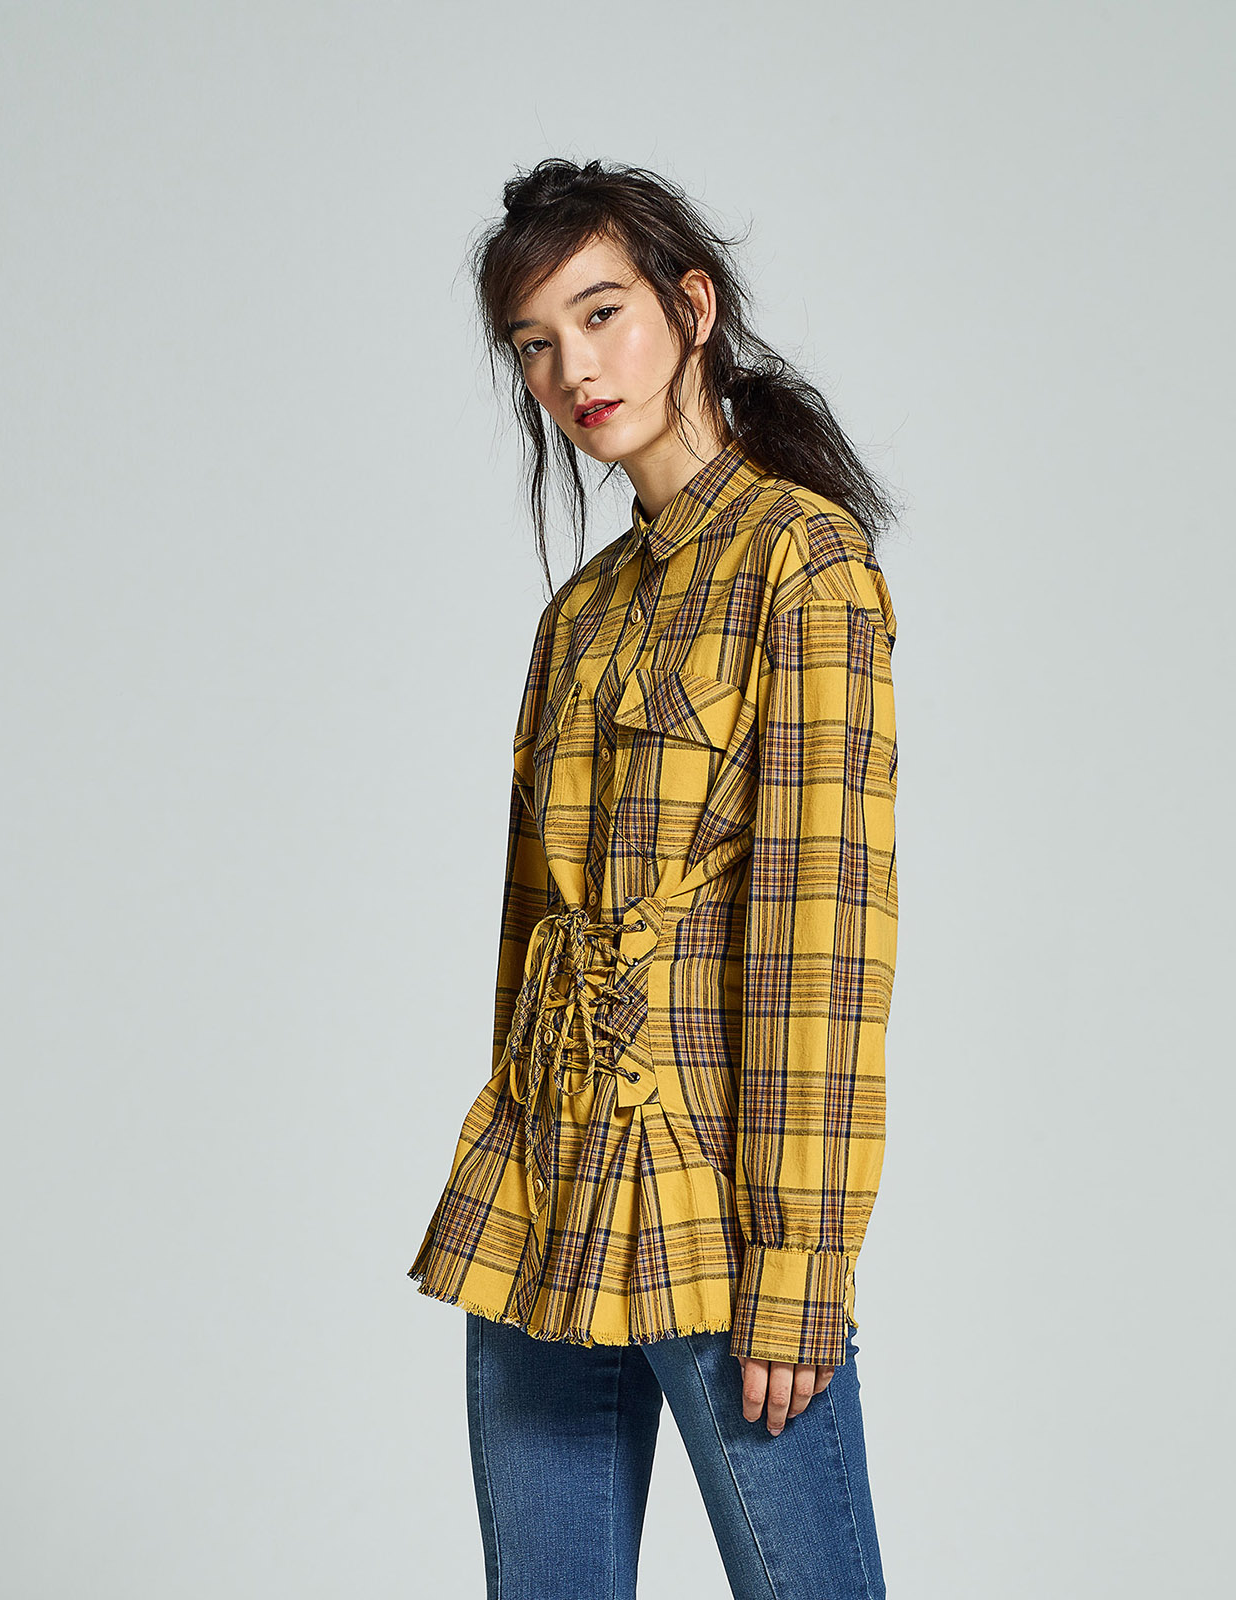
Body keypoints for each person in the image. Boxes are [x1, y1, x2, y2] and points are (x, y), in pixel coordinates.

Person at [405, 158, 902, 1600]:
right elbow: (529, 933)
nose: (573, 369)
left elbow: (820, 939)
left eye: (601, 314)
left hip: (712, 1203)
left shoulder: (804, 566)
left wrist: (802, 1259)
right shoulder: (580, 616)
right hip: (544, 1185)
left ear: (692, 308)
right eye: (533, 344)